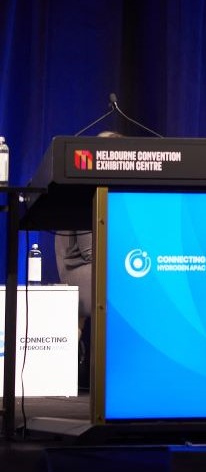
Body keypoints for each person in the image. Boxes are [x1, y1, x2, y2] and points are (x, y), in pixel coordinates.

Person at [54, 130, 124, 375]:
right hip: (80, 271)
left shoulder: (108, 190)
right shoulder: (87, 190)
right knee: (139, 279)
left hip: (97, 266)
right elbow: (90, 251)